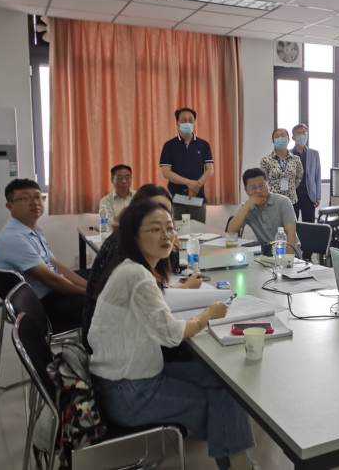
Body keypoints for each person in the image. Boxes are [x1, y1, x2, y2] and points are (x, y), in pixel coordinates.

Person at [88, 200, 258, 470]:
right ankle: (240, 466)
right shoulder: (136, 275)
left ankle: (238, 464)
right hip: (129, 392)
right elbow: (171, 335)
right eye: (155, 229)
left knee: (227, 384)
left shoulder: (131, 268)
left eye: (169, 228)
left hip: (132, 375)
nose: (166, 235)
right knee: (220, 407)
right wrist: (207, 315)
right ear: (133, 236)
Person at [82, 184, 201, 353]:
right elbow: (169, 332)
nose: (160, 213)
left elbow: (149, 290)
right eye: (153, 208)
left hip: (121, 337)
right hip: (114, 345)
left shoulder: (152, 242)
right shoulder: (123, 248)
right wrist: (206, 315)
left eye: (167, 212)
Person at [0, 179, 87, 333]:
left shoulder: (31, 231)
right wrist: (92, 293)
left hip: (47, 294)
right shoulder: (15, 239)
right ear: (9, 206)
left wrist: (90, 286)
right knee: (107, 303)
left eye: (38, 197)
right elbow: (52, 280)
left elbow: (55, 265)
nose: (34, 202)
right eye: (25, 198)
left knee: (98, 277)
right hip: (40, 308)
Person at [160, 107, 214, 225]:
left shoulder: (204, 145)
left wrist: (196, 186)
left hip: (197, 198)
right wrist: (189, 183)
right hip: (175, 199)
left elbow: (209, 170)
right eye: (184, 120)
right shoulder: (169, 145)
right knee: (176, 231)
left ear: (194, 122)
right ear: (177, 123)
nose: (187, 123)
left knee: (199, 232)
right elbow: (166, 172)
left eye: (190, 120)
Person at [227, 168, 297, 254]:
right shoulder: (246, 206)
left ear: (268, 185)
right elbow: (231, 231)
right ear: (246, 190)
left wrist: (286, 259)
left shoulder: (283, 202)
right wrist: (248, 205)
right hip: (265, 254)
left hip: (290, 254)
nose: (258, 191)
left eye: (262, 186)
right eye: (252, 188)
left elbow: (291, 233)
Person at [291, 124, 321, 262]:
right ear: (293, 137)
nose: (302, 135)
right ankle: (294, 254)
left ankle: (307, 256)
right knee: (292, 226)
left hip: (309, 196)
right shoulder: (288, 154)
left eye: (304, 133)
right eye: (299, 133)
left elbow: (317, 175)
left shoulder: (314, 153)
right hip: (293, 196)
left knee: (309, 226)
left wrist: (318, 196)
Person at [260, 128, 303, 206]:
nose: (280, 138)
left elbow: (297, 179)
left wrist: (290, 189)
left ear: (288, 140)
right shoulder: (266, 160)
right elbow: (263, 181)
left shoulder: (296, 159)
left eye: (282, 136)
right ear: (273, 141)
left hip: (291, 201)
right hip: (273, 201)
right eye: (277, 136)